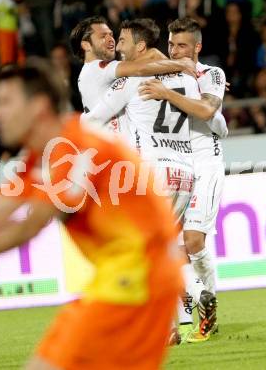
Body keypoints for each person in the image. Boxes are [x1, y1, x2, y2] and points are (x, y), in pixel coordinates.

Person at [0, 60, 182, 370]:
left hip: (139, 281)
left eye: (4, 102)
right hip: (124, 280)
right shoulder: (41, 154)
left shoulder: (74, 147)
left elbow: (28, 226)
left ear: (38, 106)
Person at [84, 18, 221, 343]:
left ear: (141, 46)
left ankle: (195, 291)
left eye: (124, 40)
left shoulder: (133, 79)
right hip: (184, 172)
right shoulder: (187, 79)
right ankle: (171, 327)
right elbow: (205, 110)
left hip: (153, 171)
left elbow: (95, 117)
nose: (118, 46)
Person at [139, 17, 228, 342]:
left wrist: (167, 92)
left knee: (193, 242)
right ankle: (185, 319)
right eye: (172, 44)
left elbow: (206, 111)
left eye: (183, 45)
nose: (176, 50)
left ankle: (209, 307)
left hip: (206, 164)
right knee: (174, 249)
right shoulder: (161, 72)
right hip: (177, 165)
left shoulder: (212, 74)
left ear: (197, 47)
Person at [69, 15, 196, 133]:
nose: (111, 40)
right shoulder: (96, 68)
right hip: (111, 149)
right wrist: (181, 64)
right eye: (103, 36)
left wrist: (154, 54)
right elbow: (140, 68)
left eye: (111, 35)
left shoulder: (95, 72)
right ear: (86, 45)